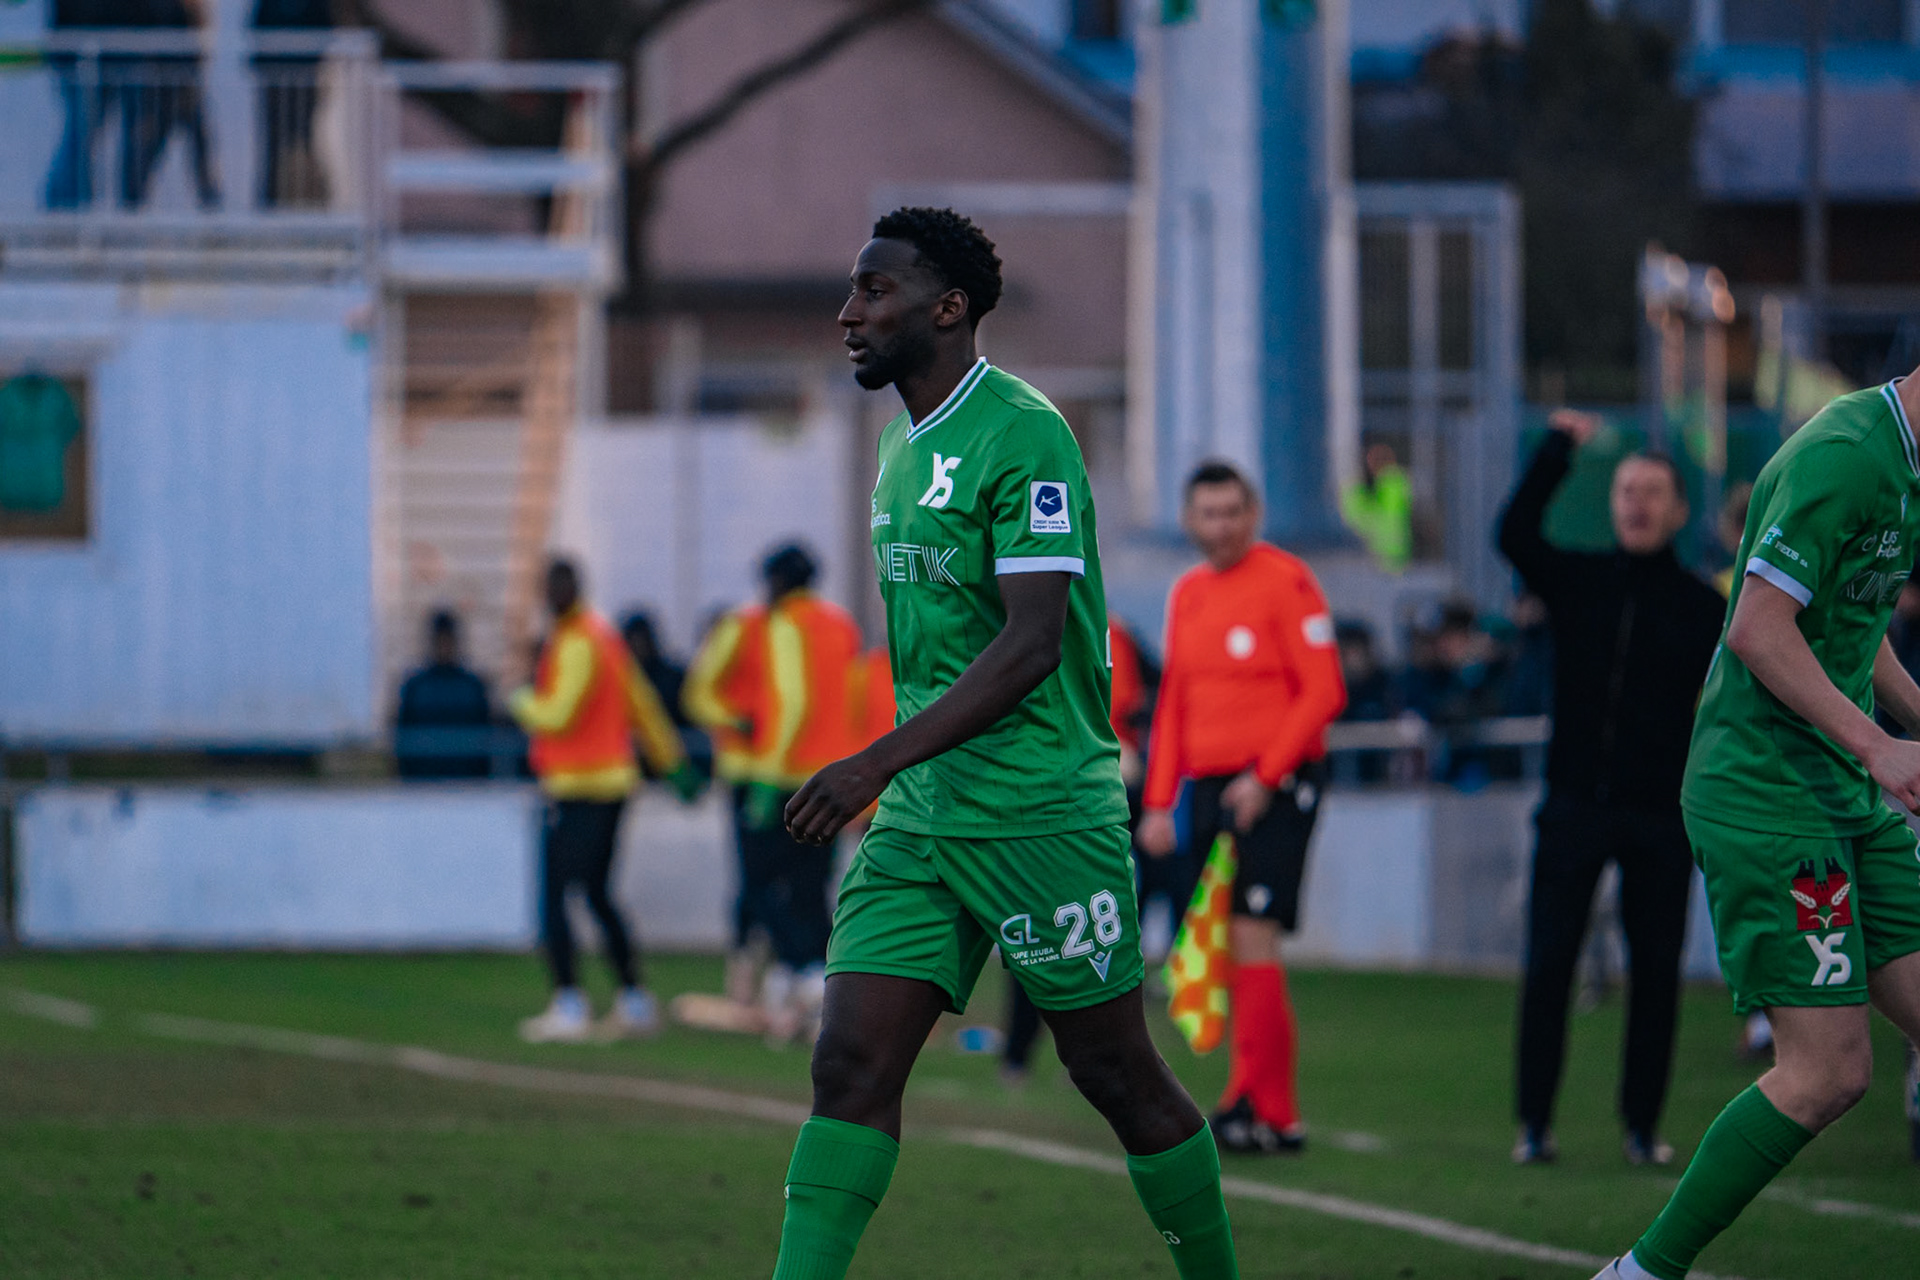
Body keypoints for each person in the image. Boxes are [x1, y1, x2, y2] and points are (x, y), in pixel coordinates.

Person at [769, 207, 1239, 1279]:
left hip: (1039, 809)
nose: (849, 313)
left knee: (1116, 1073)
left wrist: (872, 757)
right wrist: (898, 771)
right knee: (848, 1061)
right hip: (926, 817)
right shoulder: (898, 446)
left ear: (949, 307)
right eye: (852, 290)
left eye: (874, 291)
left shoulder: (1025, 432)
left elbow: (1031, 644)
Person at [1590, 373, 1920, 1280]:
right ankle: (1641, 1272)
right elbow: (1759, 630)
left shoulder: (1903, 463)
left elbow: (1851, 611)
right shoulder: (1848, 455)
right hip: (1767, 791)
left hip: (1838, 782)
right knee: (1828, 1073)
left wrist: (1912, 717)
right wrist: (1880, 748)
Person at [1498, 411, 1727, 1168]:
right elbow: (1514, 536)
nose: (1637, 502)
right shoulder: (1578, 581)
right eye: (1627, 489)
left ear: (1678, 510)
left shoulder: (1704, 607)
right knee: (1550, 962)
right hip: (1570, 809)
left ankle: (1640, 1127)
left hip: (1662, 817)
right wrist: (1557, 448)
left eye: (1653, 492)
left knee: (1655, 973)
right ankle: (1534, 1123)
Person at [1137, 461, 1348, 1155]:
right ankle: (1279, 1115)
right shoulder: (1189, 593)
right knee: (1232, 939)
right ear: (1189, 521)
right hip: (1211, 788)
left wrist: (1265, 775)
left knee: (1253, 932)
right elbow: (1174, 703)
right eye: (1209, 513)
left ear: (1253, 515)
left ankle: (1242, 1099)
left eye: (1233, 512)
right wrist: (1162, 801)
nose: (1221, 526)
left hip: (1278, 784)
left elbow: (1323, 691)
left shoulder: (1286, 581)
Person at [509, 558, 697, 1044]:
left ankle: (569, 1003)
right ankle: (634, 999)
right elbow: (643, 704)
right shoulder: (605, 636)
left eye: (555, 587)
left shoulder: (574, 641)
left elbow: (559, 713)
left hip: (577, 788)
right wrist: (672, 762)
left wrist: (520, 700)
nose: (551, 596)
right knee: (597, 894)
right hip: (613, 786)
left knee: (555, 897)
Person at [1003, 613, 1162, 1087]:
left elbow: (1157, 694)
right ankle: (1043, 1053)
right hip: (1079, 782)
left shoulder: (1043, 625)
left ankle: (1059, 1054)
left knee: (1057, 924)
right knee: (1062, 924)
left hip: (1086, 782)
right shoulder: (1108, 627)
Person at [745, 543, 864, 1041]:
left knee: (762, 883)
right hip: (837, 775)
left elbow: (793, 703)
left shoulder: (784, 623)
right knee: (813, 885)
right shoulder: (840, 624)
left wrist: (767, 780)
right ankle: (815, 981)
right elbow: (853, 697)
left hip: (793, 776)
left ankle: (801, 975)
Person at [393, 609, 492, 779]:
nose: (444, 647)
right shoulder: (416, 687)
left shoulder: (472, 686)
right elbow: (402, 737)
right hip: (422, 786)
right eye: (440, 641)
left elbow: (485, 738)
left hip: (468, 786)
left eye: (448, 640)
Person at [1339, 440, 1414, 573]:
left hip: (1385, 552)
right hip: (1388, 552)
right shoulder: (1394, 482)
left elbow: (1373, 517)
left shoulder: (1390, 483)